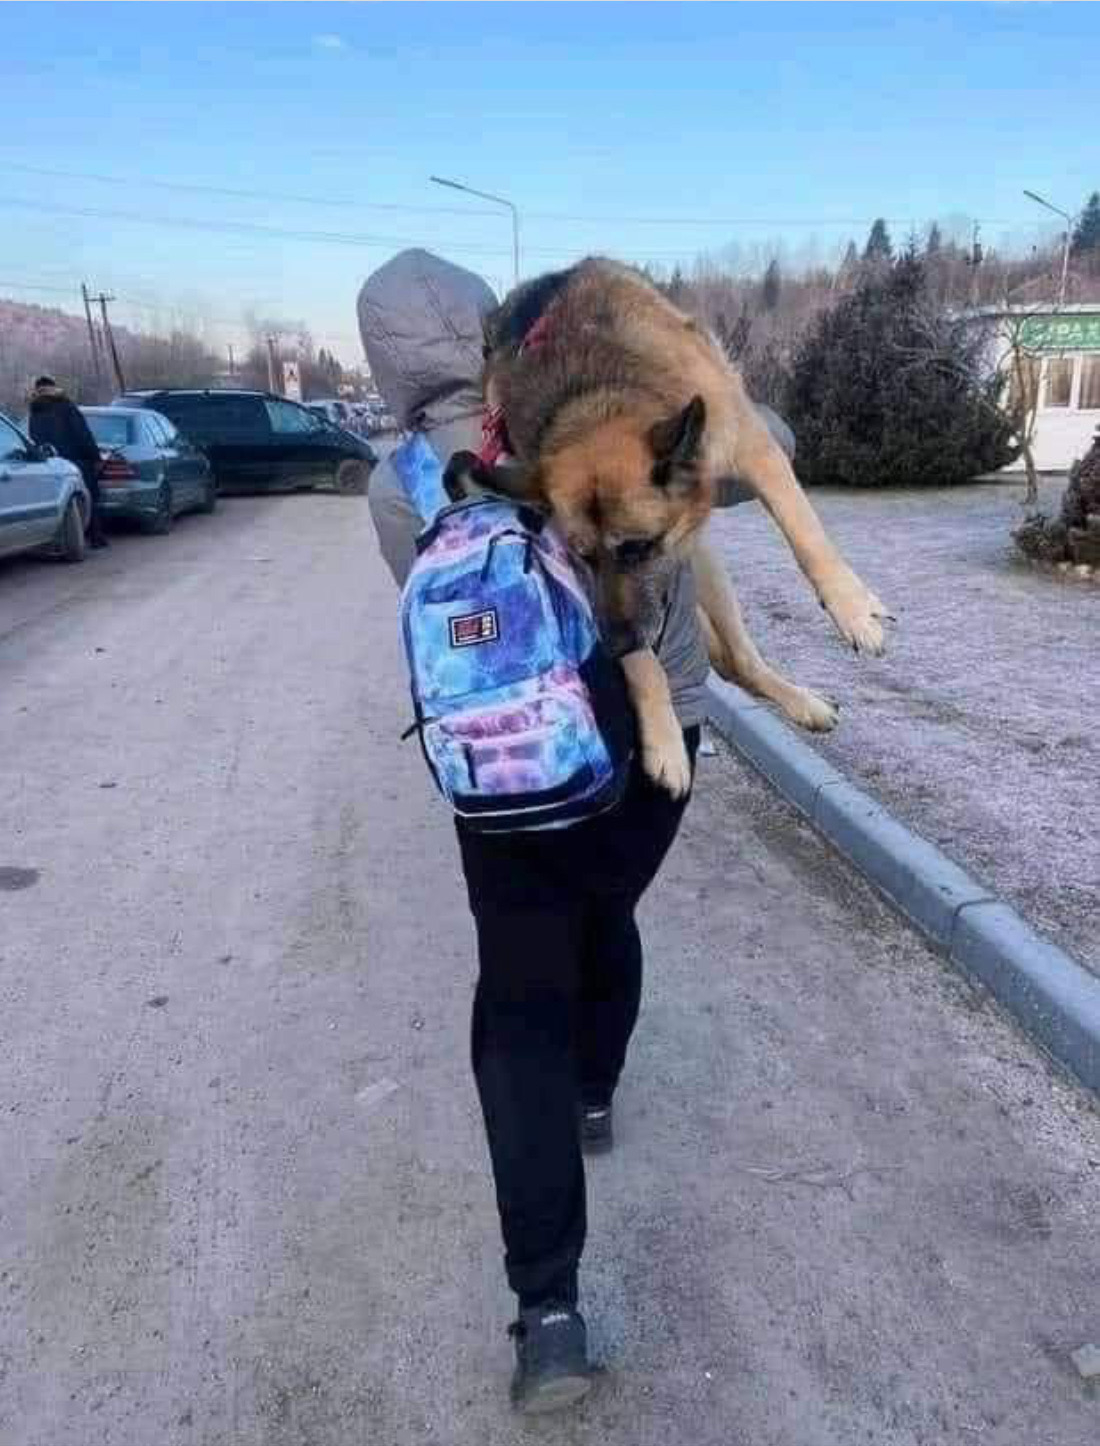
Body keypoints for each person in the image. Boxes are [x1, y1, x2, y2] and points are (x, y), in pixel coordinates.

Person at [360, 250, 790, 1413]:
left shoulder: (399, 482)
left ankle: (547, 1310)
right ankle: (595, 1089)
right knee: (609, 913)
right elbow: (766, 449)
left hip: (507, 768)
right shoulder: (603, 410)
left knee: (518, 1002)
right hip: (655, 745)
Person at [27, 376, 108, 548]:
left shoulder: (34, 410)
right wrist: (95, 457)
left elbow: (33, 438)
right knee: (88, 496)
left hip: (50, 463)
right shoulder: (65, 405)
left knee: (60, 503)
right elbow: (82, 433)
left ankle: (61, 540)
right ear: (54, 387)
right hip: (77, 460)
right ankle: (95, 537)